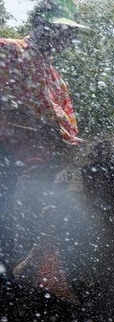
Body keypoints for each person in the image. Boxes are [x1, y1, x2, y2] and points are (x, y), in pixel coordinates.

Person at [0, 0, 87, 225]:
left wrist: (75, 143)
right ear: (41, 26)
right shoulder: (7, 51)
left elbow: (68, 133)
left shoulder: (56, 81)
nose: (67, 38)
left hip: (36, 171)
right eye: (61, 30)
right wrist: (30, 122)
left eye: (71, 33)